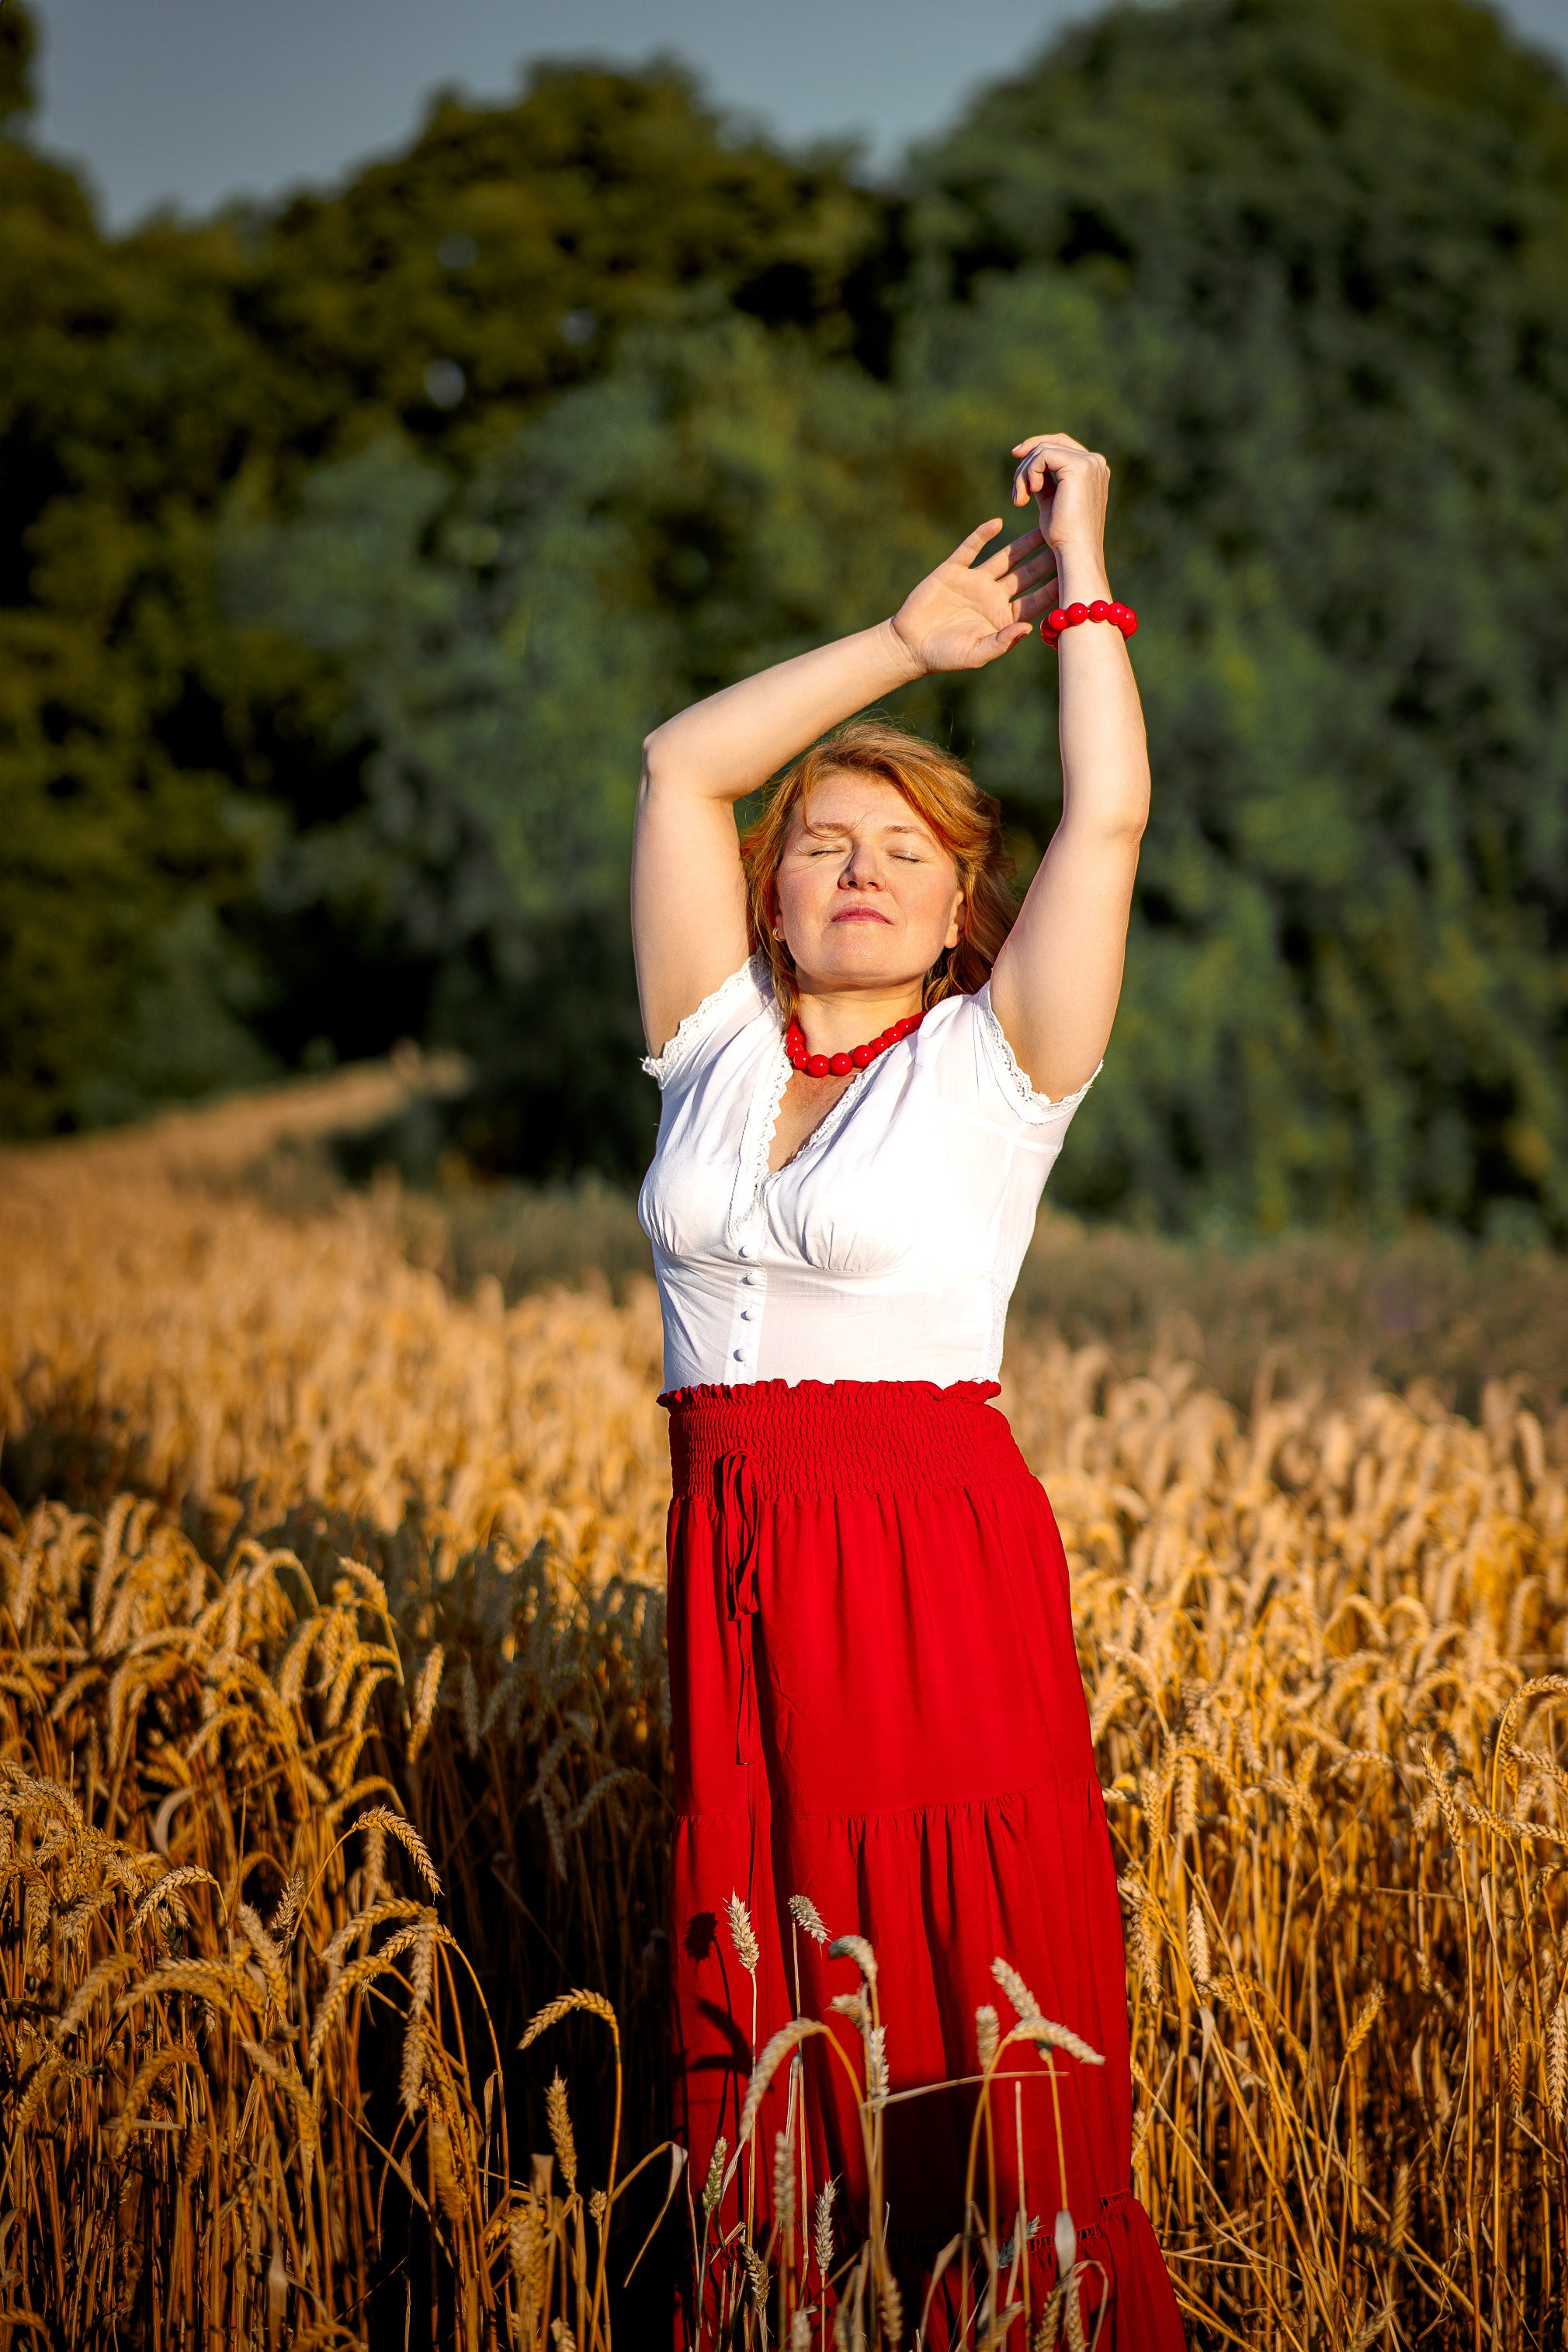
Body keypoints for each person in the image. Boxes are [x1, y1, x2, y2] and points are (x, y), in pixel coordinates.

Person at [632, 432, 1184, 2347]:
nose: (851, 873)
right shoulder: (708, 1042)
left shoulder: (996, 1062)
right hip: (729, 1551)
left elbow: (1104, 817)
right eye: (818, 844)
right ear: (766, 891)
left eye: (903, 853)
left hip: (922, 1555)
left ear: (964, 907)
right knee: (763, 1955)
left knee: (957, 1979)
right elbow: (676, 762)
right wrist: (898, 639)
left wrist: (1076, 581)